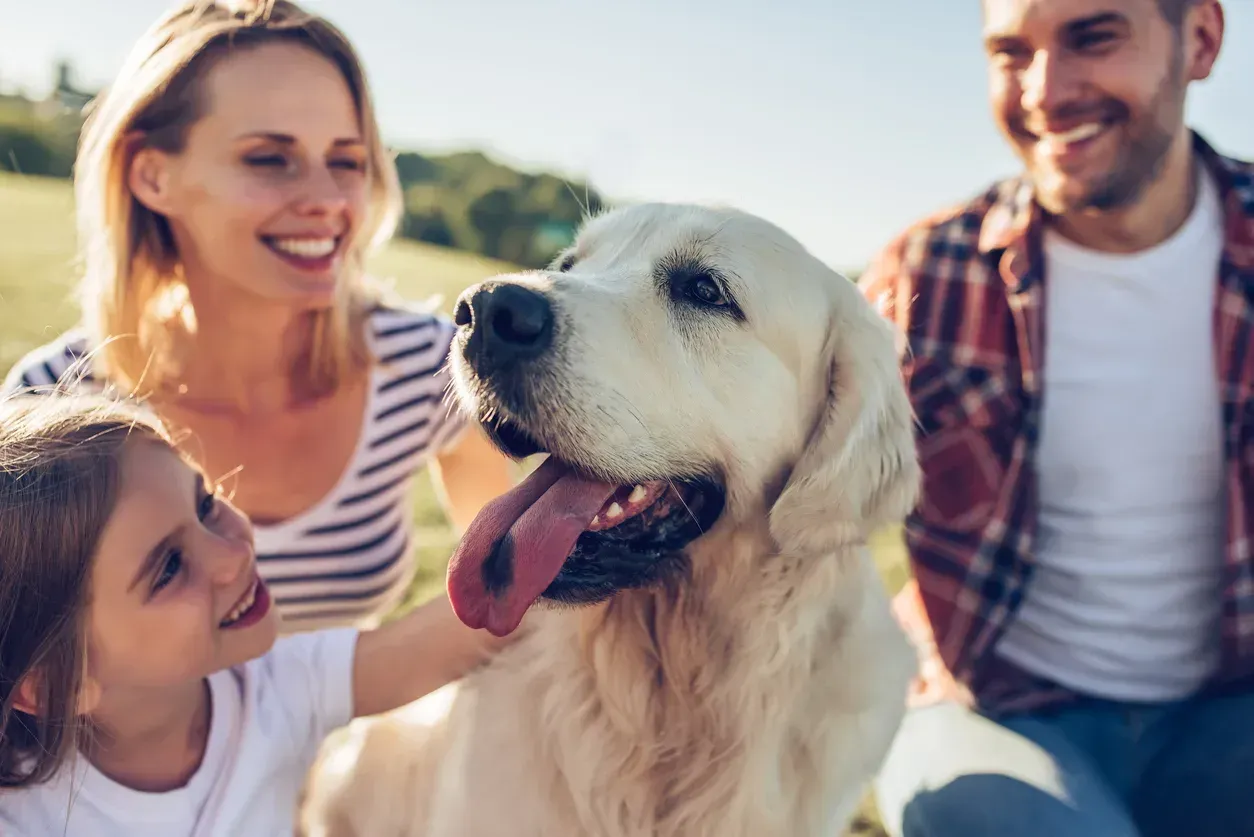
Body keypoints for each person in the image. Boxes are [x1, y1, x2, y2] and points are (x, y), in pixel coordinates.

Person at [858, 1, 1254, 835]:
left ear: (1202, 40)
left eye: (1093, 36)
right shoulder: (926, 275)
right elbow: (773, 500)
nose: (1045, 89)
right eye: (1011, 53)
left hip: (1226, 715)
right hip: (989, 710)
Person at [2, 0, 517, 634]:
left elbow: (507, 603)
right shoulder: (53, 402)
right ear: (152, 175)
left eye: (348, 162)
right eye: (269, 159)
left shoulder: (428, 365)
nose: (329, 201)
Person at [0, 394, 512, 835]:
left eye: (204, 505)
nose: (236, 554)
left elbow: (447, 638)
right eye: (169, 568)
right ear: (53, 687)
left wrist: (563, 536)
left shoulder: (273, 690)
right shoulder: (21, 815)